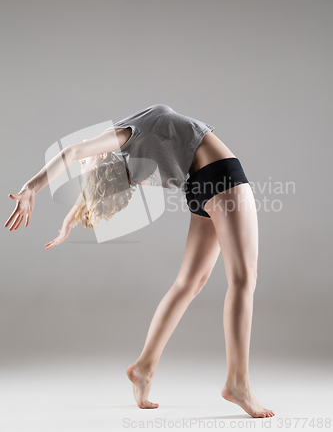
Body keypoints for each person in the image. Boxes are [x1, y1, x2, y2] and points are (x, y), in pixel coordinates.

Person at [4, 104, 274, 419]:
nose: (86, 162)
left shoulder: (125, 150)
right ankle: (237, 382)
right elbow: (74, 151)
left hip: (201, 184)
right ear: (103, 155)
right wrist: (31, 187)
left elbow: (89, 176)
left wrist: (68, 221)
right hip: (220, 174)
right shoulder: (121, 137)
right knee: (243, 279)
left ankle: (144, 367)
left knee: (190, 282)